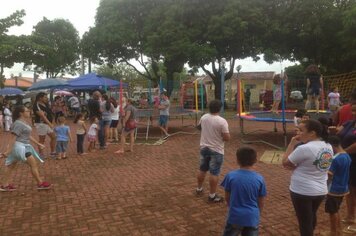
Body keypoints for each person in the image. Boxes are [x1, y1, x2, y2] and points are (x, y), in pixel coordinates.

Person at [282, 119, 333, 236]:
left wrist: (291, 144)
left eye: (301, 130)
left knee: (304, 222)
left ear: (312, 133)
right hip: (320, 190)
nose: (298, 133)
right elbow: (321, 164)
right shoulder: (328, 145)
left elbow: (285, 163)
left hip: (302, 190)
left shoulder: (304, 148)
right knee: (311, 216)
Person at [0, 105, 51, 191]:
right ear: (21, 113)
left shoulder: (23, 122)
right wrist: (8, 151)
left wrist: (38, 143)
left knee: (11, 166)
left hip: (23, 146)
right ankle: (40, 183)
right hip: (20, 147)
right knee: (33, 164)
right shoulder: (18, 124)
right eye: (27, 111)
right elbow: (13, 138)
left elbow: (28, 135)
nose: (29, 112)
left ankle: (4, 185)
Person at [221, 147, 267, 236]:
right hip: (252, 216)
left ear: (237, 160)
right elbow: (261, 201)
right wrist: (257, 214)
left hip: (235, 216)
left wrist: (231, 208)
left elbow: (227, 197)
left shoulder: (230, 176)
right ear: (255, 160)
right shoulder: (259, 178)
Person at [195, 100, 230, 202]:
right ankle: (212, 195)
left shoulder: (204, 117)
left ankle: (199, 188)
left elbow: (198, 127)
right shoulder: (222, 121)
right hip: (216, 150)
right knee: (214, 173)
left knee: (202, 169)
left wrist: (207, 131)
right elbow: (227, 138)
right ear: (219, 108)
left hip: (204, 148)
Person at [334, 103, 356, 233]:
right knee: (350, 190)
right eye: (353, 110)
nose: (354, 113)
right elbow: (338, 130)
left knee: (354, 191)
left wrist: (343, 152)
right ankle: (350, 216)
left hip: (354, 160)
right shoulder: (349, 123)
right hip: (348, 161)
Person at [323, 136, 351, 236]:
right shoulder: (346, 155)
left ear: (332, 146)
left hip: (334, 189)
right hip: (343, 188)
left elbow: (329, 175)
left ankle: (333, 232)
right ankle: (339, 231)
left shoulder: (336, 159)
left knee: (332, 212)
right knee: (336, 210)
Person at [33, 92, 56, 158]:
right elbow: (43, 116)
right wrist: (50, 124)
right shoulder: (36, 105)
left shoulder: (45, 103)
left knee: (54, 137)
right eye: (45, 97)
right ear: (40, 98)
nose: (47, 98)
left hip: (47, 124)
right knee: (42, 140)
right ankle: (41, 154)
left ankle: (52, 152)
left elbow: (49, 113)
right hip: (41, 124)